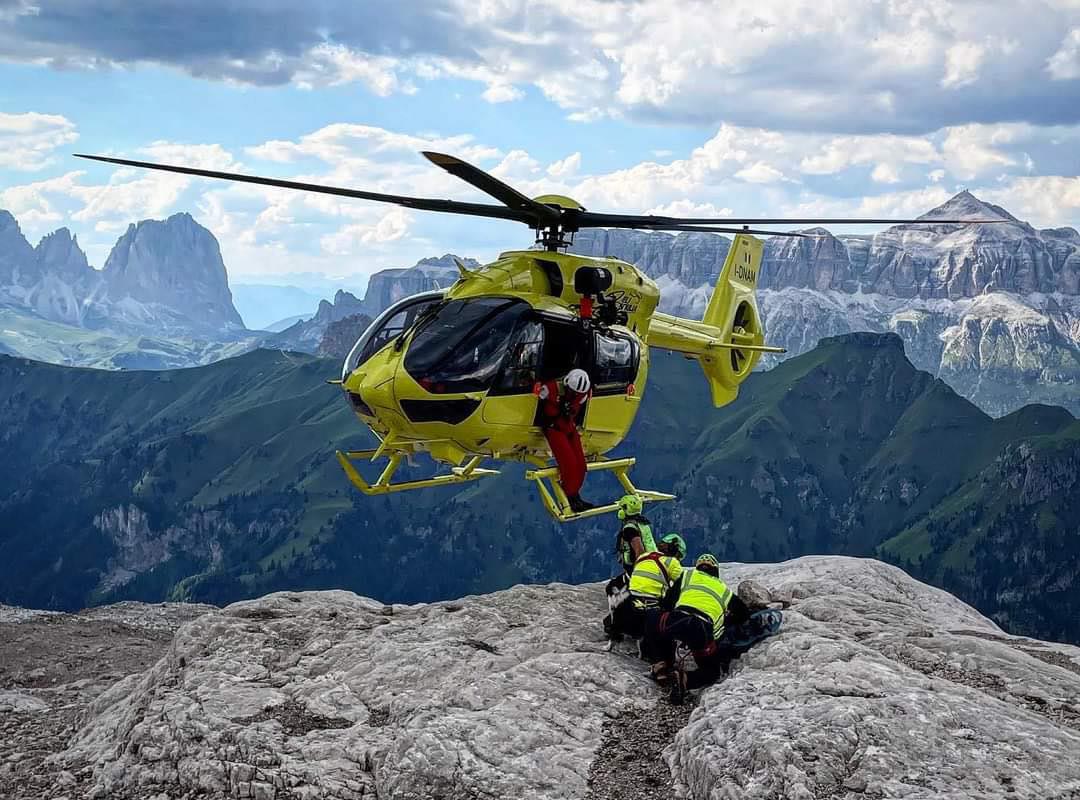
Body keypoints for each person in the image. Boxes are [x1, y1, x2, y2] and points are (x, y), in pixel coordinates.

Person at [654, 553, 754, 703]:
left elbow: (667, 603)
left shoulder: (687, 576)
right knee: (711, 672)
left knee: (661, 626)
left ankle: (661, 664)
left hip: (678, 619)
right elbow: (743, 614)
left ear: (698, 568)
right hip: (701, 628)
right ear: (716, 571)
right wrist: (726, 620)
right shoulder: (724, 590)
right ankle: (685, 679)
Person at [537, 368, 593, 513]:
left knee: (581, 465)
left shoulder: (582, 394)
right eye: (572, 392)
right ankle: (569, 496)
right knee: (569, 464)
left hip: (569, 428)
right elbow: (536, 401)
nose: (575, 395)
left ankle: (575, 495)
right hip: (554, 429)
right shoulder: (550, 389)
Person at [615, 494, 656, 575]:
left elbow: (639, 550)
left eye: (621, 508)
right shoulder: (642, 524)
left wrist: (640, 572)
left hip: (640, 569)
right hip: (652, 562)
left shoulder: (629, 528)